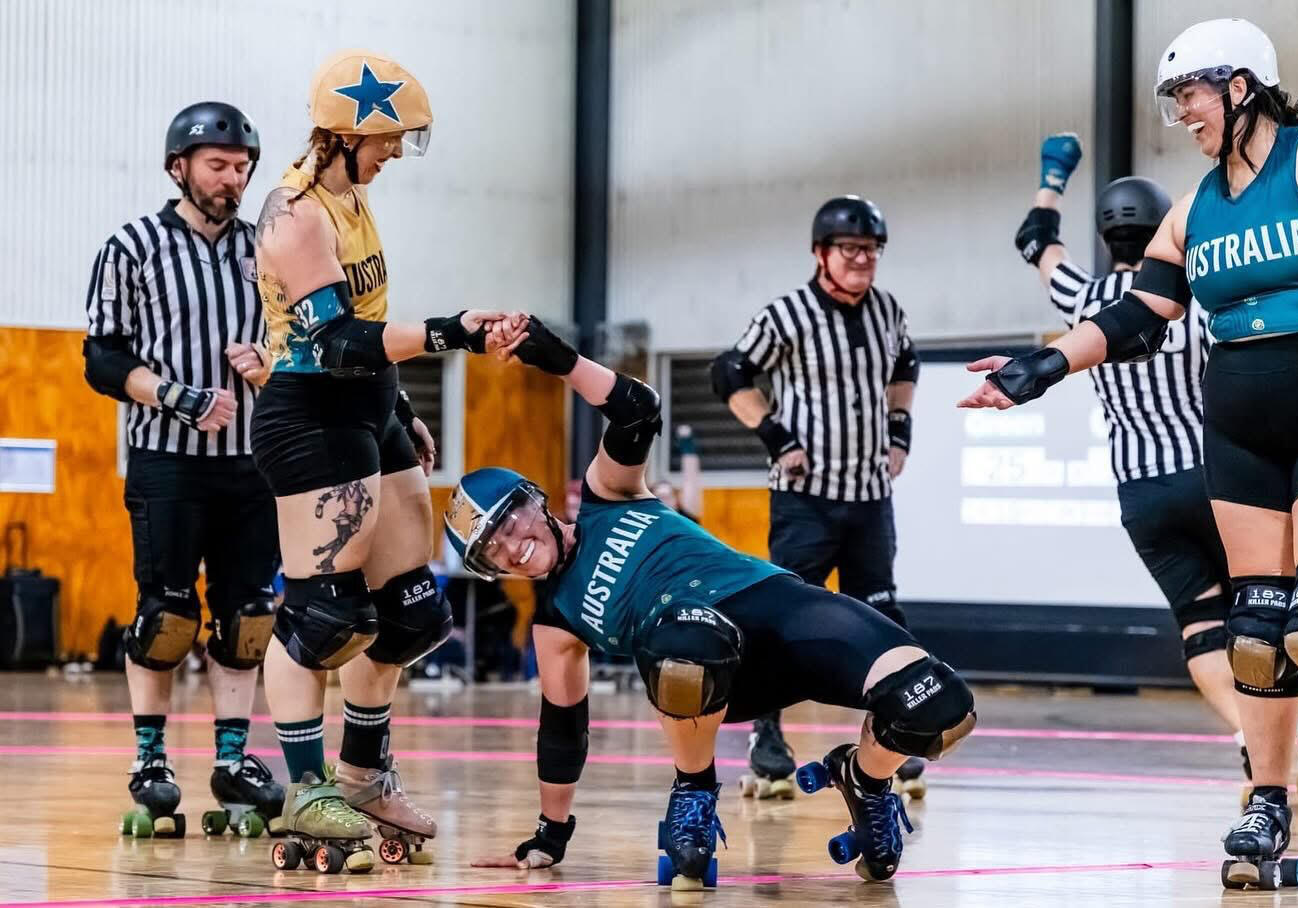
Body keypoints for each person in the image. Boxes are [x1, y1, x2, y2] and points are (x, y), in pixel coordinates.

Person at [962, 18, 1298, 893]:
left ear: (1242, 86)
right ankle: (1267, 800)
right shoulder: (1194, 211)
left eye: (1190, 93)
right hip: (1242, 434)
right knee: (1256, 634)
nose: (1181, 112)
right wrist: (1039, 368)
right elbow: (1137, 315)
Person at [453, 316, 975, 888]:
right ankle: (694, 790)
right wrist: (549, 837)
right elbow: (562, 731)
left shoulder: (607, 497)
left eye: (509, 521)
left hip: (780, 612)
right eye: (492, 550)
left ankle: (866, 780)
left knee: (942, 704)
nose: (512, 545)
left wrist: (562, 361)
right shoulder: (555, 622)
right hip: (708, 666)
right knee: (686, 636)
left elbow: (638, 410)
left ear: (537, 500)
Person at [1015, 134, 1298, 800]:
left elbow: (1035, 240)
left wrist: (1053, 177)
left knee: (1204, 628)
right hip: (1221, 474)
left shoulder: (1082, 299)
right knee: (1278, 614)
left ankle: (1248, 737)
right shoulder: (1200, 295)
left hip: (1143, 494)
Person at [250, 49, 515, 874]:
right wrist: (453, 331)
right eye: (388, 138)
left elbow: (370, 318)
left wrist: (400, 409)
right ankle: (305, 786)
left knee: (410, 615)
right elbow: (334, 341)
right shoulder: (294, 215)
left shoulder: (352, 196)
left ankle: (363, 776)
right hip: (309, 411)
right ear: (342, 134)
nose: (396, 152)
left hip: (368, 405)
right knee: (328, 617)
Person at [83, 102, 285, 840]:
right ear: (179, 167)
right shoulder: (132, 246)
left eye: (241, 168)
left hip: (251, 464)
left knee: (248, 616)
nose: (233, 180)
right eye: (218, 166)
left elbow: (302, 339)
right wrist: (175, 395)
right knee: (167, 614)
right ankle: (151, 761)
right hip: (168, 459)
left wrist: (270, 364)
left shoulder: (265, 250)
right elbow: (101, 358)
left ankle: (231, 760)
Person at [711, 195, 924, 802]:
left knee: (883, 618)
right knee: (785, 620)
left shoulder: (887, 311)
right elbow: (729, 373)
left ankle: (893, 735)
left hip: (868, 496)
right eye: (851, 250)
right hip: (804, 499)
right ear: (821, 254)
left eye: (872, 250)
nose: (863, 261)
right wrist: (775, 435)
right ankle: (767, 738)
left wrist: (900, 430)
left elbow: (906, 364)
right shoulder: (788, 314)